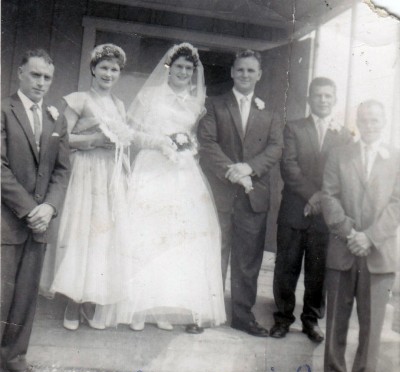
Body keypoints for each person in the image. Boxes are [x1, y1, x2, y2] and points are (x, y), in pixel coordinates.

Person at [98, 43, 226, 333]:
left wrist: (187, 149)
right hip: (152, 167)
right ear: (169, 68)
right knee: (146, 234)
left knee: (173, 240)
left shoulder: (196, 102)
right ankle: (136, 308)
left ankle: (161, 307)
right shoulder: (151, 96)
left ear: (194, 73)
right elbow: (131, 132)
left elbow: (193, 137)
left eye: (188, 69)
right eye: (179, 67)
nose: (183, 72)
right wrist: (159, 144)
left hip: (181, 172)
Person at [47, 44, 133, 330]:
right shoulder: (78, 100)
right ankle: (73, 302)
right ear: (93, 69)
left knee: (103, 237)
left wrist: (123, 166)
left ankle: (92, 299)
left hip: (109, 175)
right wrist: (95, 140)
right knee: (82, 234)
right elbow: (62, 138)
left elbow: (122, 139)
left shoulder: (119, 105)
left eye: (114, 69)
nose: (109, 74)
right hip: (85, 173)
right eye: (104, 68)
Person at [198, 50, 283, 337]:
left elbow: (275, 149)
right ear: (232, 72)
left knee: (247, 260)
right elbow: (207, 142)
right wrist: (231, 170)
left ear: (259, 75)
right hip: (221, 193)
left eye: (251, 71)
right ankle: (208, 313)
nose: (245, 75)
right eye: (241, 70)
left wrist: (249, 168)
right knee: (214, 254)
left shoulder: (269, 113)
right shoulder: (215, 105)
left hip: (253, 195)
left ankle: (242, 316)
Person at [1, 49, 70, 372]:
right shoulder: (3, 109)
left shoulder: (57, 118)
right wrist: (30, 209)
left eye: (47, 77)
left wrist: (50, 208)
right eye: (35, 75)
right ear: (20, 73)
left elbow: (62, 170)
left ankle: (14, 359)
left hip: (40, 223)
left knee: (26, 296)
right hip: (6, 219)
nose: (41, 83)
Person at [322, 100, 400, 372]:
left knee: (372, 324)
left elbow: (397, 203)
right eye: (364, 120)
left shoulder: (396, 157)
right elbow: (328, 196)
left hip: (378, 254)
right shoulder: (340, 154)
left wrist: (369, 237)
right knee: (335, 322)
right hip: (343, 248)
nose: (369, 125)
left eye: (374, 120)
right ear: (357, 122)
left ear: (384, 122)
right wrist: (348, 232)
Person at [270, 77, 352, 342]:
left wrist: (321, 200)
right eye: (318, 95)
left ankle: (311, 321)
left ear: (335, 100)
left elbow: (344, 175)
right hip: (295, 210)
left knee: (318, 272)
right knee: (286, 267)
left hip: (325, 216)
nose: (323, 100)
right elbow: (289, 167)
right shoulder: (293, 128)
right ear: (310, 99)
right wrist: (313, 195)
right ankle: (282, 318)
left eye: (328, 96)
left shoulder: (345, 136)